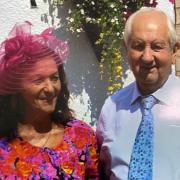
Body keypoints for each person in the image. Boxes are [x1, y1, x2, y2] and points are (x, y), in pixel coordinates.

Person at [0, 21, 99, 179]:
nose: (50, 88)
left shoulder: (81, 135)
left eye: (54, 78)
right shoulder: (4, 147)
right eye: (38, 80)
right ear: (17, 88)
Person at [97, 7, 180, 180]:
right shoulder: (112, 107)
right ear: (126, 49)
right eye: (138, 46)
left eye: (157, 46)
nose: (147, 57)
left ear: (175, 50)